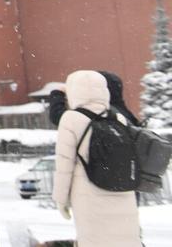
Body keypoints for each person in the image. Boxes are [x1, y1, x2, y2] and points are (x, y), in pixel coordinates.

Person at [52, 69, 142, 246]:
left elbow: (64, 165)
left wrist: (61, 200)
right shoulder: (119, 118)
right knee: (126, 240)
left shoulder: (71, 119)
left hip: (89, 196)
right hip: (122, 193)